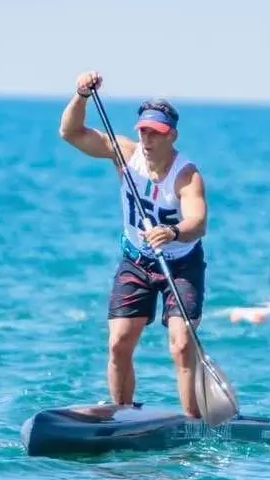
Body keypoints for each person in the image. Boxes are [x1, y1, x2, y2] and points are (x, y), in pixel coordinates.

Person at [59, 70, 208, 417]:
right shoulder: (125, 154)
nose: (147, 139)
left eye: (155, 133)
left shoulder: (187, 175)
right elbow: (70, 133)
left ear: (171, 135)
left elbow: (198, 223)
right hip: (137, 262)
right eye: (143, 130)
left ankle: (192, 423)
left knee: (182, 346)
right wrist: (80, 96)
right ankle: (123, 415)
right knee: (118, 345)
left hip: (181, 264)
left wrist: (172, 232)